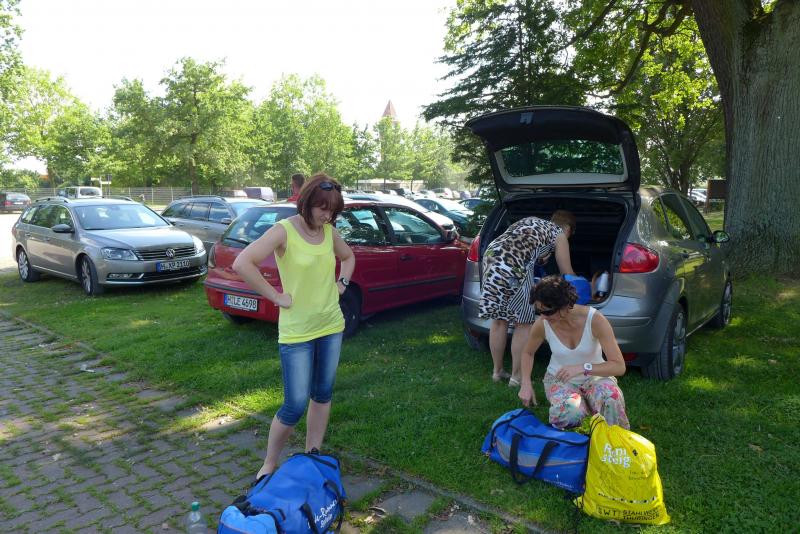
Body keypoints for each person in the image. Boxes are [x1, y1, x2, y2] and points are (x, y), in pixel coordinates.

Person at [233, 173, 355, 479]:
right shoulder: (283, 230)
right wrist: (275, 296)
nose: (328, 216)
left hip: (330, 325)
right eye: (323, 208)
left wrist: (342, 282)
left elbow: (348, 257)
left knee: (322, 393)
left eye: (333, 211)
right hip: (297, 332)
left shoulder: (329, 232)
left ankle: (313, 454)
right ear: (308, 202)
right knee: (295, 404)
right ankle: (269, 462)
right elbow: (243, 263)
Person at [479, 210, 576, 387]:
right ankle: (516, 377)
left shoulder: (533, 222)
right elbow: (567, 272)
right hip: (514, 264)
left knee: (499, 319)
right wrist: (582, 286)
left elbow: (523, 246)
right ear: (568, 228)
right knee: (523, 322)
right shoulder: (559, 234)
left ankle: (497, 372)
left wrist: (540, 260)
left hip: (492, 256)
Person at [518, 276, 630, 429]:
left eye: (547, 312)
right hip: (560, 379)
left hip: (595, 377)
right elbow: (527, 353)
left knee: (611, 399)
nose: (542, 317)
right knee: (569, 412)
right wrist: (525, 383)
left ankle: (612, 440)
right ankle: (572, 439)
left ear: (565, 306)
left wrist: (583, 367)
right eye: (539, 311)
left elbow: (619, 366)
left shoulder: (595, 320)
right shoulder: (542, 324)